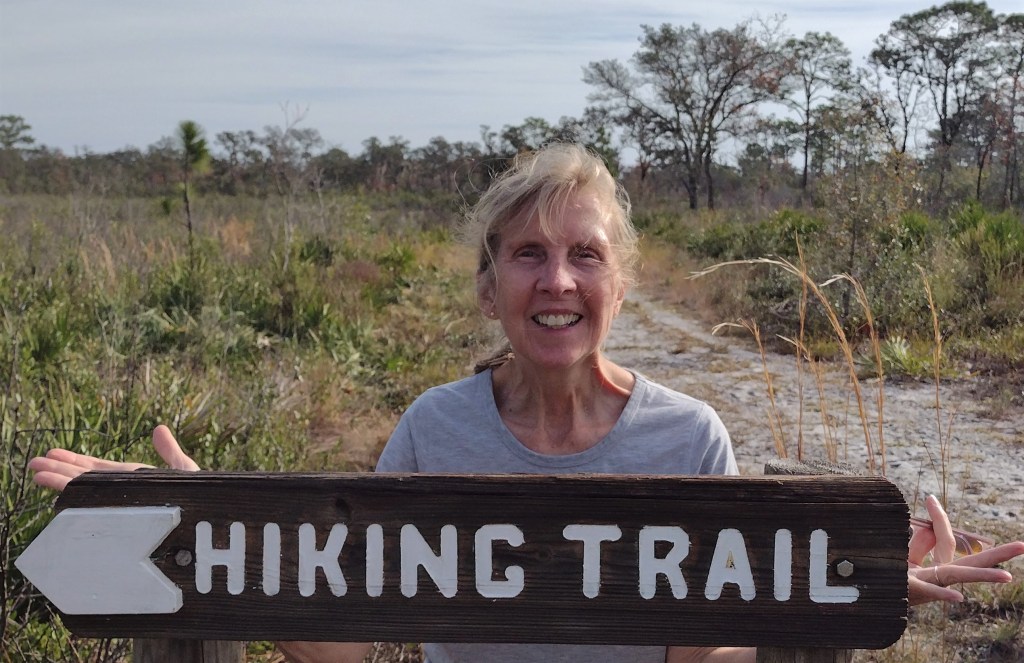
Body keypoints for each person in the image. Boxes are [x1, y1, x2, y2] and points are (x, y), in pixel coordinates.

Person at [29, 144, 1024, 663]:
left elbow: (699, 653)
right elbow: (340, 637)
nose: (557, 281)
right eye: (530, 254)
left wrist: (842, 588)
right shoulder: (434, 428)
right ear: (489, 282)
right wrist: (216, 534)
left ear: (620, 282)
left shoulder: (689, 438)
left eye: (584, 254)